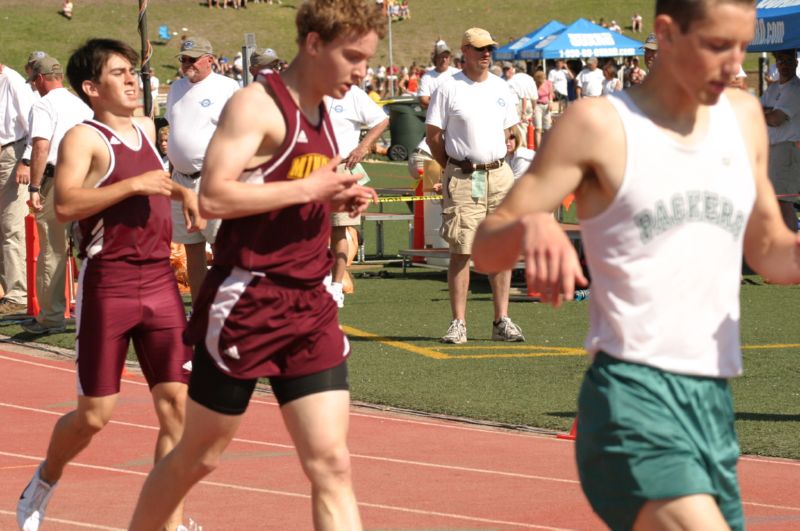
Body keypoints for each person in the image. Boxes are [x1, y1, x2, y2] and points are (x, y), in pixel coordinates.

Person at [473, 1, 800, 529]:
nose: (736, 65)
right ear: (666, 34)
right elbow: (487, 248)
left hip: (712, 404)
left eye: (742, 47)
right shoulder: (599, 125)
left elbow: (771, 252)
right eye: (718, 46)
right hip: (632, 400)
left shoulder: (742, 119)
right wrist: (532, 223)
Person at [127, 1, 384, 529]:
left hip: (310, 303)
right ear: (313, 44)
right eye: (353, 57)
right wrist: (311, 188)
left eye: (368, 59)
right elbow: (215, 196)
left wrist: (337, 197)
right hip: (250, 298)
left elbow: (289, 189)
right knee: (199, 456)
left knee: (332, 464)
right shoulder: (257, 105)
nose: (362, 73)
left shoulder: (324, 112)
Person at [16, 38, 199, 531]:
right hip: (110, 284)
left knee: (178, 410)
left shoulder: (144, 127)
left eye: (131, 72)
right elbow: (65, 206)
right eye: (118, 73)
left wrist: (184, 193)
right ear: (92, 88)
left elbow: (156, 182)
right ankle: (44, 480)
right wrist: (134, 186)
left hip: (160, 281)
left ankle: (170, 521)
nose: (130, 79)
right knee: (94, 415)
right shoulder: (83, 137)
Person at [426, 27, 524, 345]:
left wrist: (514, 138)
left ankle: (501, 320)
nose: (487, 54)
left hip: (498, 176)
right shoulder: (447, 87)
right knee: (461, 250)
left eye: (490, 49)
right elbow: (433, 136)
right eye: (480, 49)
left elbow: (511, 128)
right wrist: (452, 166)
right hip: (464, 175)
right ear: (464, 50)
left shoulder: (500, 87)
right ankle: (458, 323)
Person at [21, 57, 93, 335]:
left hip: (57, 178)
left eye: (34, 81)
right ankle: (92, 311)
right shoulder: (79, 103)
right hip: (86, 178)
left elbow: (41, 146)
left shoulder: (43, 104)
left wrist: (35, 187)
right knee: (87, 248)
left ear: (40, 78)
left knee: (53, 248)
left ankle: (51, 317)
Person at [166, 36, 239, 303]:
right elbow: (175, 131)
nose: (187, 64)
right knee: (191, 249)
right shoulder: (176, 88)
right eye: (184, 59)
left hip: (212, 180)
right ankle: (200, 310)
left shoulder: (228, 87)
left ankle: (228, 308)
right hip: (180, 180)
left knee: (222, 249)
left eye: (193, 59)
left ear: (210, 59)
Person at [326, 84, 388, 306]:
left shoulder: (352, 93)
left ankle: (335, 286)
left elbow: (381, 120)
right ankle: (316, 281)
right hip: (309, 169)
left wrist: (363, 147)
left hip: (342, 168)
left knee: (340, 229)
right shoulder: (305, 87)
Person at [0, 58, 34, 317]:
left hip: (11, 154)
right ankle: (8, 290)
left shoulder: (12, 81)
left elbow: (33, 125)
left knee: (12, 225)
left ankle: (18, 293)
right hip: (7, 153)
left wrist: (26, 161)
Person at [762, 49, 800, 232]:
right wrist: (767, 112)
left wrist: (768, 112)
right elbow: (757, 109)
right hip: (773, 148)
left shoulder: (795, 89)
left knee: (784, 202)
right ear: (776, 64)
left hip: (786, 150)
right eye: (781, 61)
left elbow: (776, 119)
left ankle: (791, 249)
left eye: (789, 60)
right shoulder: (774, 88)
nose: (785, 65)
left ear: (796, 62)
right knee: (774, 202)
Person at [417, 40, 458, 108]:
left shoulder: (457, 73)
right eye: (441, 57)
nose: (444, 59)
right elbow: (424, 99)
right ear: (435, 58)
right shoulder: (427, 77)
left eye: (446, 57)